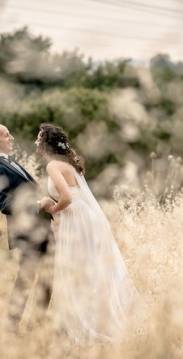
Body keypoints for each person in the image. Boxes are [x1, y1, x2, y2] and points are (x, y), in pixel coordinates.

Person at [35, 123, 140, 344]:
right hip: (85, 217)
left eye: (39, 137)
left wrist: (50, 207)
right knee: (90, 265)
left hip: (77, 219)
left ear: (45, 143)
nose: (36, 140)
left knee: (79, 266)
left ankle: (88, 321)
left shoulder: (53, 166)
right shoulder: (66, 163)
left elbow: (67, 198)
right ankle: (97, 316)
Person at [0, 124, 56, 335]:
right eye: (6, 135)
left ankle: (37, 324)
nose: (12, 137)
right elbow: (5, 205)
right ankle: (11, 327)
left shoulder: (11, 162)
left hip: (41, 229)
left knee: (47, 277)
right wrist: (37, 204)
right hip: (27, 234)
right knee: (26, 279)